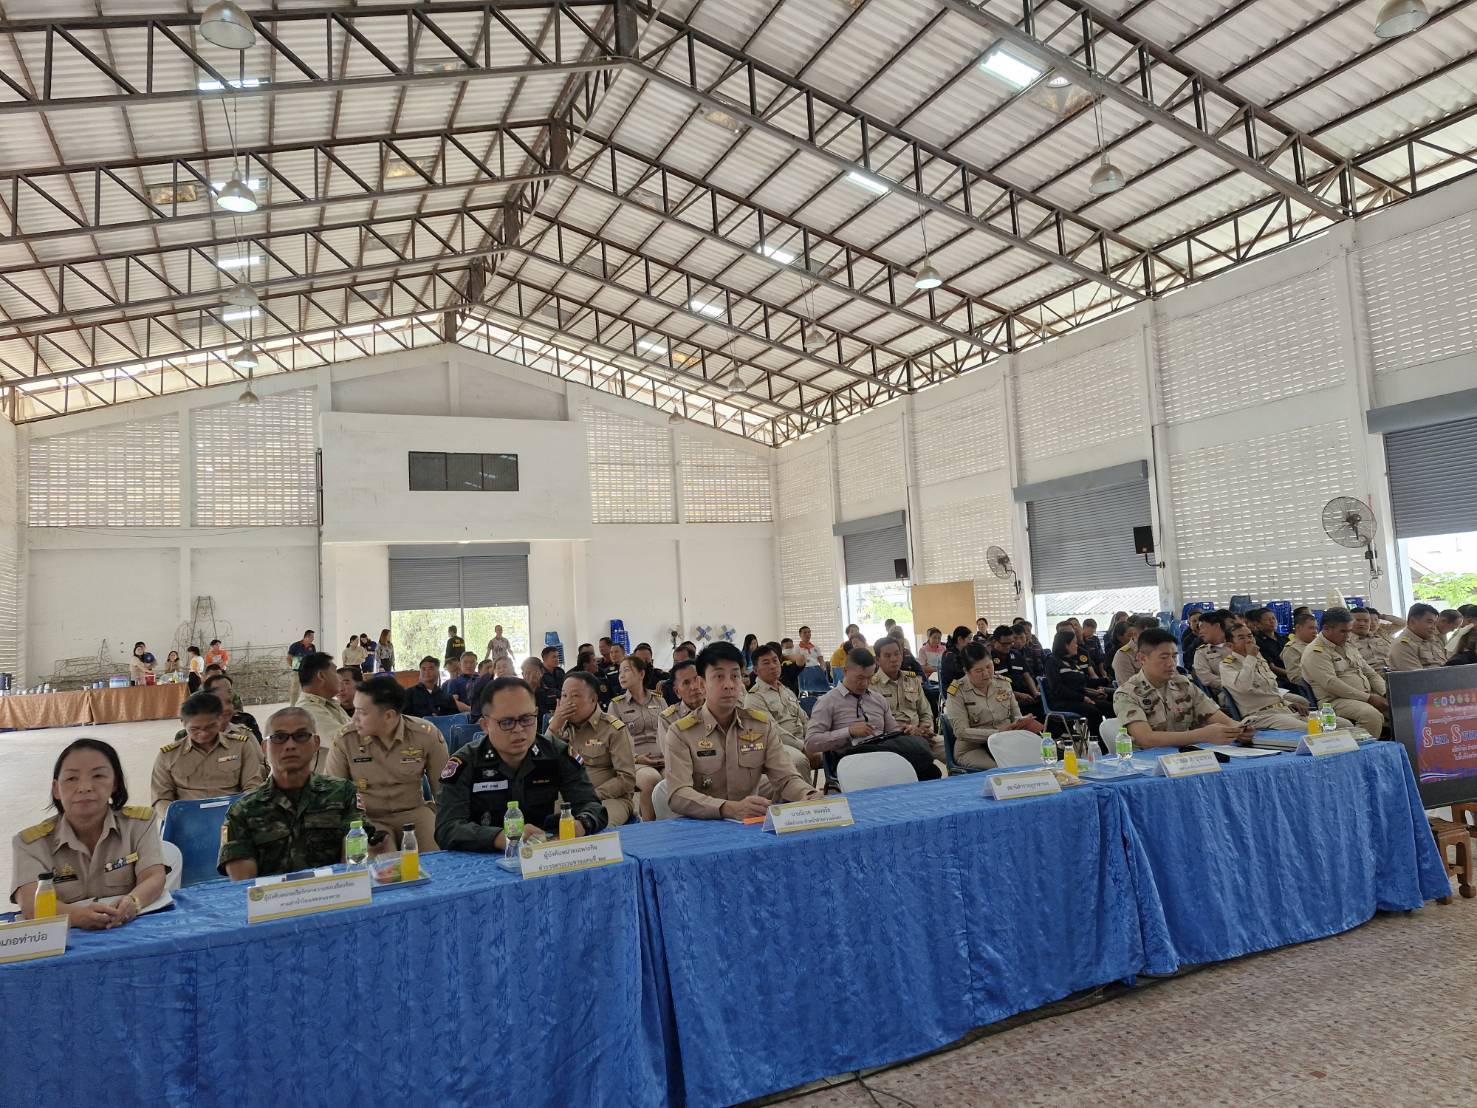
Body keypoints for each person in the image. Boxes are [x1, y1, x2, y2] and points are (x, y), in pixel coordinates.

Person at [11, 739, 168, 929]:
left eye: (98, 776)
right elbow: (30, 903)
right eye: (71, 779)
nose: (85, 787)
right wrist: (77, 916)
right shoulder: (30, 843)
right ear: (56, 789)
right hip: (65, 938)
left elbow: (153, 876)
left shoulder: (139, 824)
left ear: (115, 783)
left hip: (127, 929)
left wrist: (133, 901)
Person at [436, 678, 607, 850]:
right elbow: (447, 828)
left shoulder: (557, 753)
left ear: (537, 714)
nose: (518, 729)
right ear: (485, 725)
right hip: (485, 855)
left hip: (544, 853)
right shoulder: (465, 763)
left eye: (527, 719)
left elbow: (592, 806)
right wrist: (501, 837)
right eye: (507, 722)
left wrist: (581, 824)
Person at [218, 707, 387, 878]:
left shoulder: (343, 793)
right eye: (279, 737)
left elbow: (353, 863)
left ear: (316, 743)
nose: (290, 745)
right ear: (264, 747)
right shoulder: (243, 810)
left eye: (300, 736)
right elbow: (244, 884)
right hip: (273, 901)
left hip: (333, 895)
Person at [664, 642, 821, 819]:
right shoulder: (681, 732)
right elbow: (678, 794)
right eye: (719, 677)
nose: (729, 685)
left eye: (735, 676)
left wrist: (807, 794)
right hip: (702, 827)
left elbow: (785, 778)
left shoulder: (760, 725)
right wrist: (729, 809)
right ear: (702, 683)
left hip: (749, 825)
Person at [326, 677, 449, 850]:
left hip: (414, 812)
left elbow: (444, 792)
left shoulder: (425, 735)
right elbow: (335, 796)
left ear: (388, 715)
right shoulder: (345, 739)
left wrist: (446, 826)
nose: (354, 719)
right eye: (355, 710)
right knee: (380, 865)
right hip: (368, 818)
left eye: (362, 712)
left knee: (435, 859)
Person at [805, 647, 941, 781]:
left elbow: (892, 731)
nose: (864, 683)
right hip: (851, 758)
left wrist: (905, 730)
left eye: (869, 678)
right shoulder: (827, 702)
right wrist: (849, 732)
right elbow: (811, 743)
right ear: (845, 672)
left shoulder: (877, 699)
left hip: (883, 752)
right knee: (920, 757)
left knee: (931, 771)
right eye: (859, 678)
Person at [1113, 629, 1247, 749]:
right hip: (1148, 763)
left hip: (1187, 757)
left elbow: (1220, 719)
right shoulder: (1127, 694)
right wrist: (1202, 735)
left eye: (1174, 656)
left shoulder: (1183, 684)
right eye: (1164, 657)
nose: (1172, 663)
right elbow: (1146, 739)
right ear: (1142, 658)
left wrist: (1239, 729)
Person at [150, 691, 266, 815]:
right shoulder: (168, 756)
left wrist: (239, 815)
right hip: (188, 819)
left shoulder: (240, 746)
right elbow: (160, 798)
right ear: (183, 722)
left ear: (220, 718)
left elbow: (253, 787)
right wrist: (178, 818)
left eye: (210, 726)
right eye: (195, 729)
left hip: (233, 816)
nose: (203, 733)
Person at [547, 670, 637, 827]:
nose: (568, 702)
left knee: (596, 827)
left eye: (575, 696)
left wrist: (590, 795)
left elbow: (626, 779)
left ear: (593, 699)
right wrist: (553, 727)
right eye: (564, 696)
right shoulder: (559, 727)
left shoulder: (613, 729)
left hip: (609, 799)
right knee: (542, 822)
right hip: (568, 797)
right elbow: (541, 762)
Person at [945, 644, 1040, 770]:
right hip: (973, 748)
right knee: (1001, 769)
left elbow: (1016, 716)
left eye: (989, 667)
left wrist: (1022, 721)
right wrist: (997, 733)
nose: (986, 674)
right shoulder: (957, 692)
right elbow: (961, 731)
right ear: (966, 671)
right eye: (979, 671)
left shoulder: (1003, 684)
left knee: (1036, 761)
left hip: (1006, 742)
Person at [1301, 607, 1389, 735]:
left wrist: (1386, 693)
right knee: (1370, 715)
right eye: (1342, 631)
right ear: (1326, 629)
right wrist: (1368, 698)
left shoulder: (1347, 644)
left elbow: (1370, 673)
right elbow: (1331, 684)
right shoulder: (1316, 652)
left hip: (1364, 695)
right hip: (1335, 701)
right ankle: (1362, 752)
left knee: (1399, 707)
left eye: (1349, 630)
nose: (1347, 635)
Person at [1220, 624, 1315, 731]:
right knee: (1310, 729)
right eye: (1241, 638)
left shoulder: (1259, 659)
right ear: (1230, 646)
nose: (1248, 641)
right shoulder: (1228, 665)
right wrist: (1250, 657)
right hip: (1261, 716)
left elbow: (1271, 690)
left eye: (1250, 636)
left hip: (1282, 710)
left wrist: (1289, 703)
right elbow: (1243, 687)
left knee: (1334, 723)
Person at [743, 643, 818, 776]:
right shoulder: (754, 698)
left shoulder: (786, 690)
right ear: (755, 670)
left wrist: (813, 738)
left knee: (833, 748)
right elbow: (772, 730)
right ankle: (805, 796)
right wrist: (803, 747)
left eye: (775, 660)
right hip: (777, 745)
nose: (772, 665)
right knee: (799, 761)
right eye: (766, 663)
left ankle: (834, 791)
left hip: (802, 739)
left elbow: (804, 718)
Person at [609, 655, 667, 822]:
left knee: (673, 778)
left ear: (641, 674)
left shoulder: (659, 700)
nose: (621, 675)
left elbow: (669, 731)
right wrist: (637, 758)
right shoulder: (616, 705)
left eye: (626, 670)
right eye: (620, 672)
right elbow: (614, 741)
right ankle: (648, 827)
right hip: (634, 761)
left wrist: (669, 754)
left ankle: (669, 825)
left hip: (662, 758)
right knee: (651, 780)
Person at [871, 637, 942, 763]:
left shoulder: (912, 679)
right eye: (887, 656)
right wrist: (910, 731)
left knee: (951, 748)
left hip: (922, 734)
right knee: (923, 758)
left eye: (897, 654)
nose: (894, 659)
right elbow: (878, 725)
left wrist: (926, 729)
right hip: (895, 739)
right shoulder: (872, 686)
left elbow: (925, 711)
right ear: (877, 660)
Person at [294, 652, 350, 773]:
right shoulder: (307, 711)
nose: (339, 679)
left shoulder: (329, 704)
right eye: (335, 672)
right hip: (324, 787)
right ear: (321, 676)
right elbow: (348, 741)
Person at [1043, 629, 1109, 729]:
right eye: (1074, 643)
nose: (1077, 645)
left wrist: (1103, 683)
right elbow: (1058, 688)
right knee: (1093, 711)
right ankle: (1099, 741)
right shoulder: (1052, 661)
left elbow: (1084, 682)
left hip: (1077, 698)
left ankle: (1115, 736)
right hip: (1061, 701)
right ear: (1066, 645)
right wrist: (1082, 698)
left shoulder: (1072, 662)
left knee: (1109, 706)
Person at [990, 625, 1042, 715]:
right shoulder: (989, 659)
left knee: (1043, 703)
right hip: (1005, 698)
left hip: (1026, 694)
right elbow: (992, 687)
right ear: (995, 641)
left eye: (1010, 643)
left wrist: (1035, 692)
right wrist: (1018, 695)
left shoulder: (1016, 654)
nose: (1008, 646)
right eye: (1004, 644)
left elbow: (1026, 674)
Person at [658, 658, 706, 749]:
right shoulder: (668, 719)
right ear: (677, 692)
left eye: (697, 680)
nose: (694, 686)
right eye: (686, 683)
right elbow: (671, 755)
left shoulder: (719, 711)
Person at [1387, 603, 1449, 671]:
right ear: (1412, 622)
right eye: (1429, 622)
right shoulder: (1402, 645)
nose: (1434, 627)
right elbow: (1417, 678)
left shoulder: (1433, 641)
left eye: (1435, 623)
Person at [202, 672, 261, 742]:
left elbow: (259, 747)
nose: (224, 694)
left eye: (229, 691)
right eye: (218, 691)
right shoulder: (198, 724)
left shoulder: (246, 720)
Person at [1191, 611, 1234, 689]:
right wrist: (1234, 685)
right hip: (1229, 694)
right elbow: (1207, 679)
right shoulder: (1201, 653)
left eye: (1202, 627)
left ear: (1216, 626)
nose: (1200, 632)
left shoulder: (1236, 644)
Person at [1281, 610, 1320, 687]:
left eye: (1316, 628)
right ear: (1298, 628)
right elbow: (1296, 678)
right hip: (1316, 687)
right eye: (1311, 628)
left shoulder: (1317, 644)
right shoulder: (1292, 649)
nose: (1315, 631)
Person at [938, 625, 973, 691]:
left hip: (961, 684)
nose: (971, 642)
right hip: (951, 688)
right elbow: (961, 673)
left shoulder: (963, 653)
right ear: (960, 639)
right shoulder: (949, 655)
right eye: (969, 639)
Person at [286, 629, 315, 706]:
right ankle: (293, 706)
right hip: (297, 670)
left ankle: (307, 705)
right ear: (307, 637)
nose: (313, 639)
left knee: (308, 689)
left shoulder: (312, 647)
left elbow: (313, 658)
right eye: (312, 637)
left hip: (308, 671)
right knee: (295, 689)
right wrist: (293, 667)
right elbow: (289, 658)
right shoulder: (295, 646)